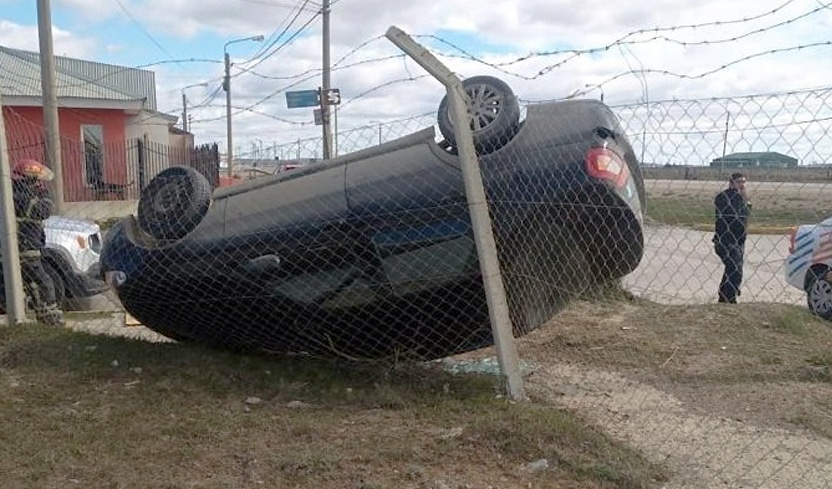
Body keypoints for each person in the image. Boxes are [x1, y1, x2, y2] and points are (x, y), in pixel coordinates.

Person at [11, 158, 65, 326]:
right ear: (30, 179)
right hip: (25, 246)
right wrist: (44, 196)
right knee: (42, 282)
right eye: (37, 181)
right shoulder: (21, 197)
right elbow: (44, 211)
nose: (40, 185)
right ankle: (49, 318)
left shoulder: (17, 193)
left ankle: (41, 314)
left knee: (33, 282)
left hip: (27, 244)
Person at [712, 172, 752, 304]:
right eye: (739, 182)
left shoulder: (742, 198)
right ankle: (728, 297)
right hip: (725, 240)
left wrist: (745, 201)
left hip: (738, 240)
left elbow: (745, 217)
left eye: (743, 182)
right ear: (731, 182)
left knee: (733, 269)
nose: (742, 185)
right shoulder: (724, 197)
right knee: (734, 268)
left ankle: (726, 295)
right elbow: (733, 217)